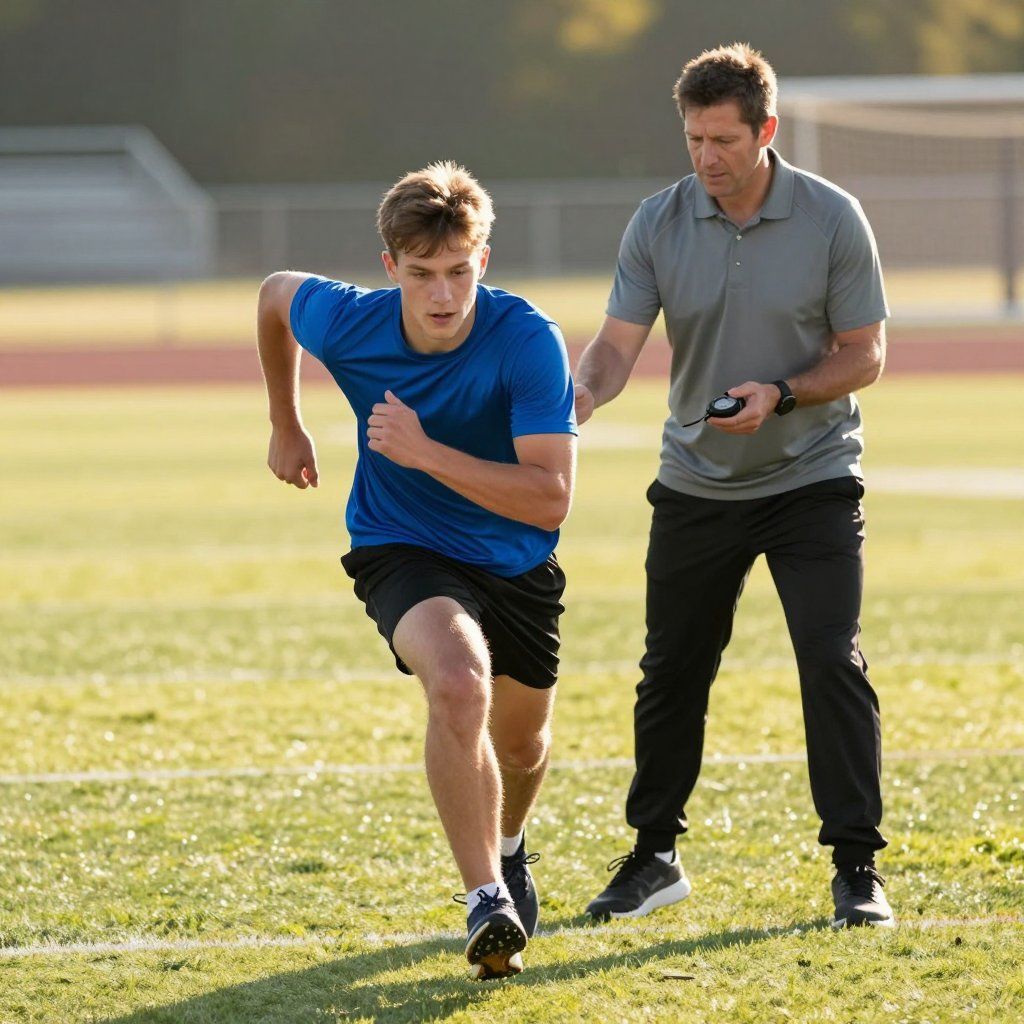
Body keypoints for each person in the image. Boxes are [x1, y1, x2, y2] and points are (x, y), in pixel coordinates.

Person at [575, 43, 894, 929]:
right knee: (671, 670)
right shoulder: (658, 221)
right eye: (693, 140)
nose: (707, 158)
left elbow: (866, 354)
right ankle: (653, 856)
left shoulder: (834, 218)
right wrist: (584, 391)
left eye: (723, 139)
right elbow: (615, 345)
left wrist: (783, 393)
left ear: (767, 131)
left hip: (812, 478)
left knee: (832, 659)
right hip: (697, 483)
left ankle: (858, 868)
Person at [256, 161, 577, 978]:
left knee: (525, 743)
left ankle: (509, 848)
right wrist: (286, 423)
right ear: (391, 267)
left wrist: (426, 452)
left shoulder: (527, 340)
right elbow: (272, 296)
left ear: (484, 259)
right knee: (459, 682)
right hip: (401, 545)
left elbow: (549, 501)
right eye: (424, 274)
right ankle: (486, 900)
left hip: (515, 553)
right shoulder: (353, 322)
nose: (443, 294)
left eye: (460, 271)